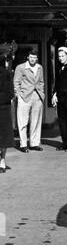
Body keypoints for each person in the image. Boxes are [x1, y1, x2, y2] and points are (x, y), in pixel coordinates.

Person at [14, 49, 45, 153]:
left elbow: (41, 81)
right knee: (23, 121)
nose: (33, 59)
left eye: (35, 57)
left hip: (37, 96)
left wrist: (41, 93)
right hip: (24, 96)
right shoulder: (21, 67)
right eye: (31, 57)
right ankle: (23, 144)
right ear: (28, 57)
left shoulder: (40, 67)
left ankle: (34, 143)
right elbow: (16, 82)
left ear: (37, 58)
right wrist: (18, 95)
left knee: (36, 121)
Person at [0, 43, 16, 173]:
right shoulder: (6, 72)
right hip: (4, 105)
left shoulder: (7, 70)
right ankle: (2, 161)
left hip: (4, 105)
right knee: (4, 135)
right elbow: (10, 91)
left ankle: (2, 161)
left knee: (3, 135)